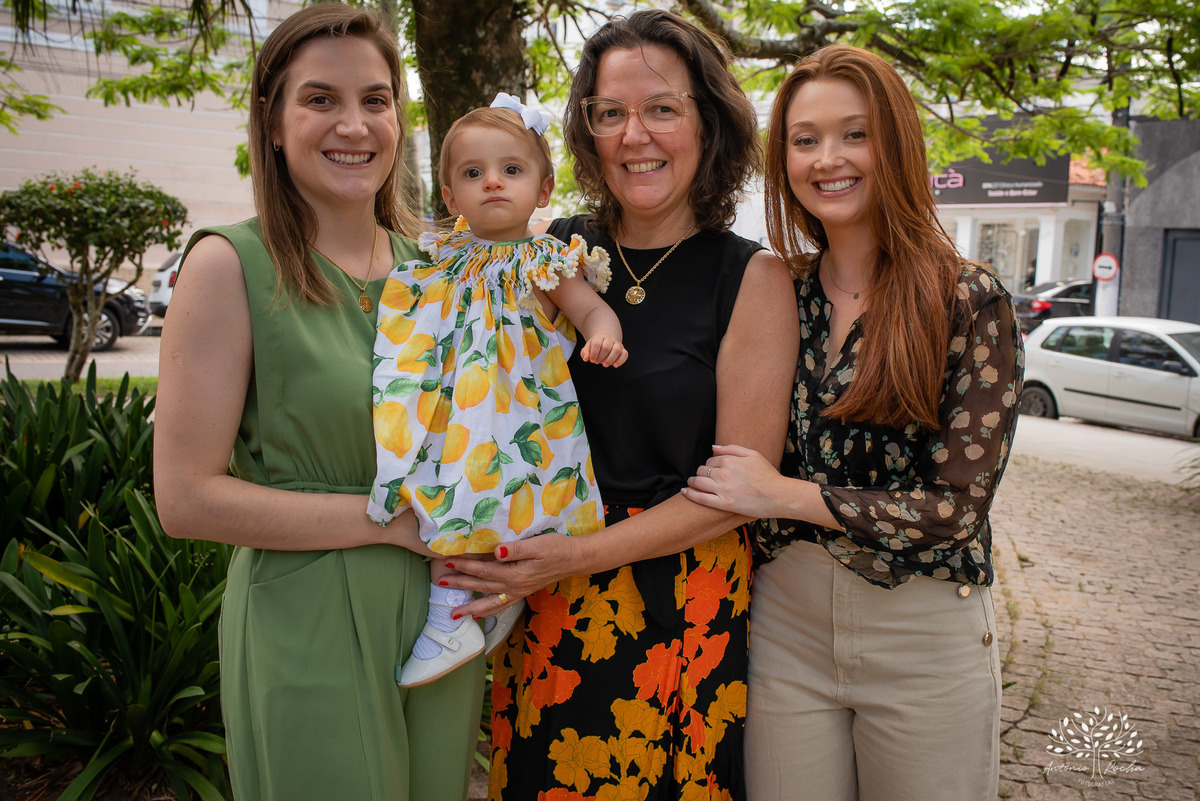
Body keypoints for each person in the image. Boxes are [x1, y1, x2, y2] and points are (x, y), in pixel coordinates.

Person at [442, 10, 799, 800]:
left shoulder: (750, 278)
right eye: (611, 113)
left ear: (707, 124)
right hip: (542, 596)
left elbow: (738, 490)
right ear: (587, 132)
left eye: (662, 109)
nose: (635, 135)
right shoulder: (546, 251)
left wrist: (573, 557)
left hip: (678, 603)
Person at [152, 5, 484, 800]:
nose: (354, 125)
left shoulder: (442, 269)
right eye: (320, 99)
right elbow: (185, 499)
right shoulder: (229, 265)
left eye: (375, 100)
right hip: (305, 617)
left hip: (441, 622)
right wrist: (393, 523)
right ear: (272, 122)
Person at [683, 45, 1025, 800]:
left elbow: (956, 510)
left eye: (855, 134)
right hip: (786, 626)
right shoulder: (778, 289)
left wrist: (784, 495)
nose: (827, 159)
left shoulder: (967, 299)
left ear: (895, 144)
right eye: (804, 139)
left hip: (922, 634)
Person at [368, 94, 627, 687]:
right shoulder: (444, 256)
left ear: (543, 189)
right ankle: (489, 601)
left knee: (484, 491)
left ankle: (449, 619)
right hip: (456, 403)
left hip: (518, 408)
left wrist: (604, 335)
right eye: (472, 172)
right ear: (449, 196)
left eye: (511, 169)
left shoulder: (546, 260)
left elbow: (591, 309)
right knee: (440, 488)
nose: (492, 182)